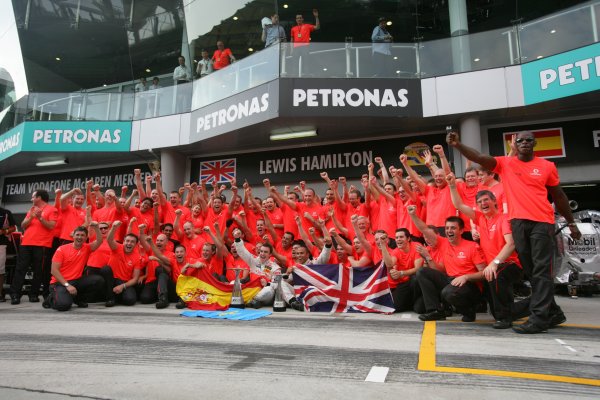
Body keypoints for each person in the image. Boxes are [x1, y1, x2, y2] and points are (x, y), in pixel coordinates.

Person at [446, 129, 581, 333]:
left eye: (529, 140)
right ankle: (554, 312)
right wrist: (458, 145)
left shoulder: (547, 166)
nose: (525, 143)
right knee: (532, 272)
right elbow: (479, 157)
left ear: (535, 144)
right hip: (518, 223)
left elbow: (559, 196)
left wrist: (571, 223)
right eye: (521, 140)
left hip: (541, 222)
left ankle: (539, 318)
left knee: (542, 271)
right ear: (515, 145)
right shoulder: (505, 164)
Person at [447, 174, 526, 328]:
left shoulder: (504, 218)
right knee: (499, 309)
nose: (483, 203)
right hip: (493, 268)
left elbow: (510, 244)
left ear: (494, 201)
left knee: (496, 276)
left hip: (510, 264)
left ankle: (506, 317)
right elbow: (459, 205)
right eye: (480, 202)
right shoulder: (480, 218)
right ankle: (537, 306)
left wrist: (495, 263)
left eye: (486, 200)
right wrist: (451, 185)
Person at [408, 206, 486, 322]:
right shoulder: (444, 243)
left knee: (448, 292)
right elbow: (424, 229)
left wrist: (466, 277)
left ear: (461, 230)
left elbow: (484, 273)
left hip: (469, 284)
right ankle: (435, 311)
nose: (449, 231)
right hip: (451, 280)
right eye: (447, 228)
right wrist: (413, 215)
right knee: (422, 272)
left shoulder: (472, 246)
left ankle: (469, 311)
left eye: (453, 228)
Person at [10, 190, 58, 304]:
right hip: (26, 243)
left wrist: (40, 218)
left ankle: (34, 294)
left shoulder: (52, 209)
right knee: (20, 269)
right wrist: (31, 217)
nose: (31, 199)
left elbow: (52, 226)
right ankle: (15, 294)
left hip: (42, 245)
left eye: (33, 197)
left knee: (39, 271)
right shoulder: (31, 209)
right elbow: (23, 225)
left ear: (39, 198)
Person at [45, 224, 104, 311]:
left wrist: (96, 228)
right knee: (64, 306)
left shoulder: (86, 248)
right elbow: (54, 271)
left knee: (98, 280)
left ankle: (77, 298)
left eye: (82, 235)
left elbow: (99, 241)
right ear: (73, 235)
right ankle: (50, 299)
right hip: (59, 283)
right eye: (77, 235)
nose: (80, 237)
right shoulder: (62, 249)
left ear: (86, 237)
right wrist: (67, 285)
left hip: (76, 281)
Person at [290, 9, 320, 75]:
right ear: (296, 20)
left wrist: (316, 17)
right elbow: (292, 40)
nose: (299, 19)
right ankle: (294, 77)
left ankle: (306, 76)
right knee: (294, 64)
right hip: (296, 48)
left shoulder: (307, 26)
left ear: (303, 19)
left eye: (300, 18)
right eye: (297, 18)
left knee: (306, 63)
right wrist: (291, 49)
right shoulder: (293, 28)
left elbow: (317, 27)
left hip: (305, 47)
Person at [0, 206, 17, 302]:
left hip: (1, 244)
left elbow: (14, 228)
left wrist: (3, 231)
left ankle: (0, 294)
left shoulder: (5, 212)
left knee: (0, 270)